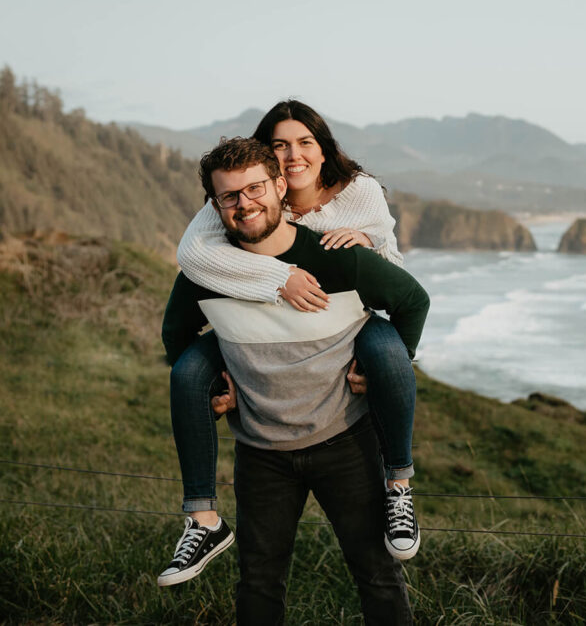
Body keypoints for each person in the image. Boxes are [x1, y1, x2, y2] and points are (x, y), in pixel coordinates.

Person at [162, 137, 426, 623]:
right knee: (258, 585)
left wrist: (383, 370)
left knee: (378, 576)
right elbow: (175, 336)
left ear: (281, 185)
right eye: (229, 196)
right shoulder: (206, 274)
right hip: (262, 454)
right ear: (215, 205)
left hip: (345, 442)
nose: (245, 204)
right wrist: (218, 385)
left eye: (256, 188)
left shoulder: (337, 257)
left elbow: (412, 301)